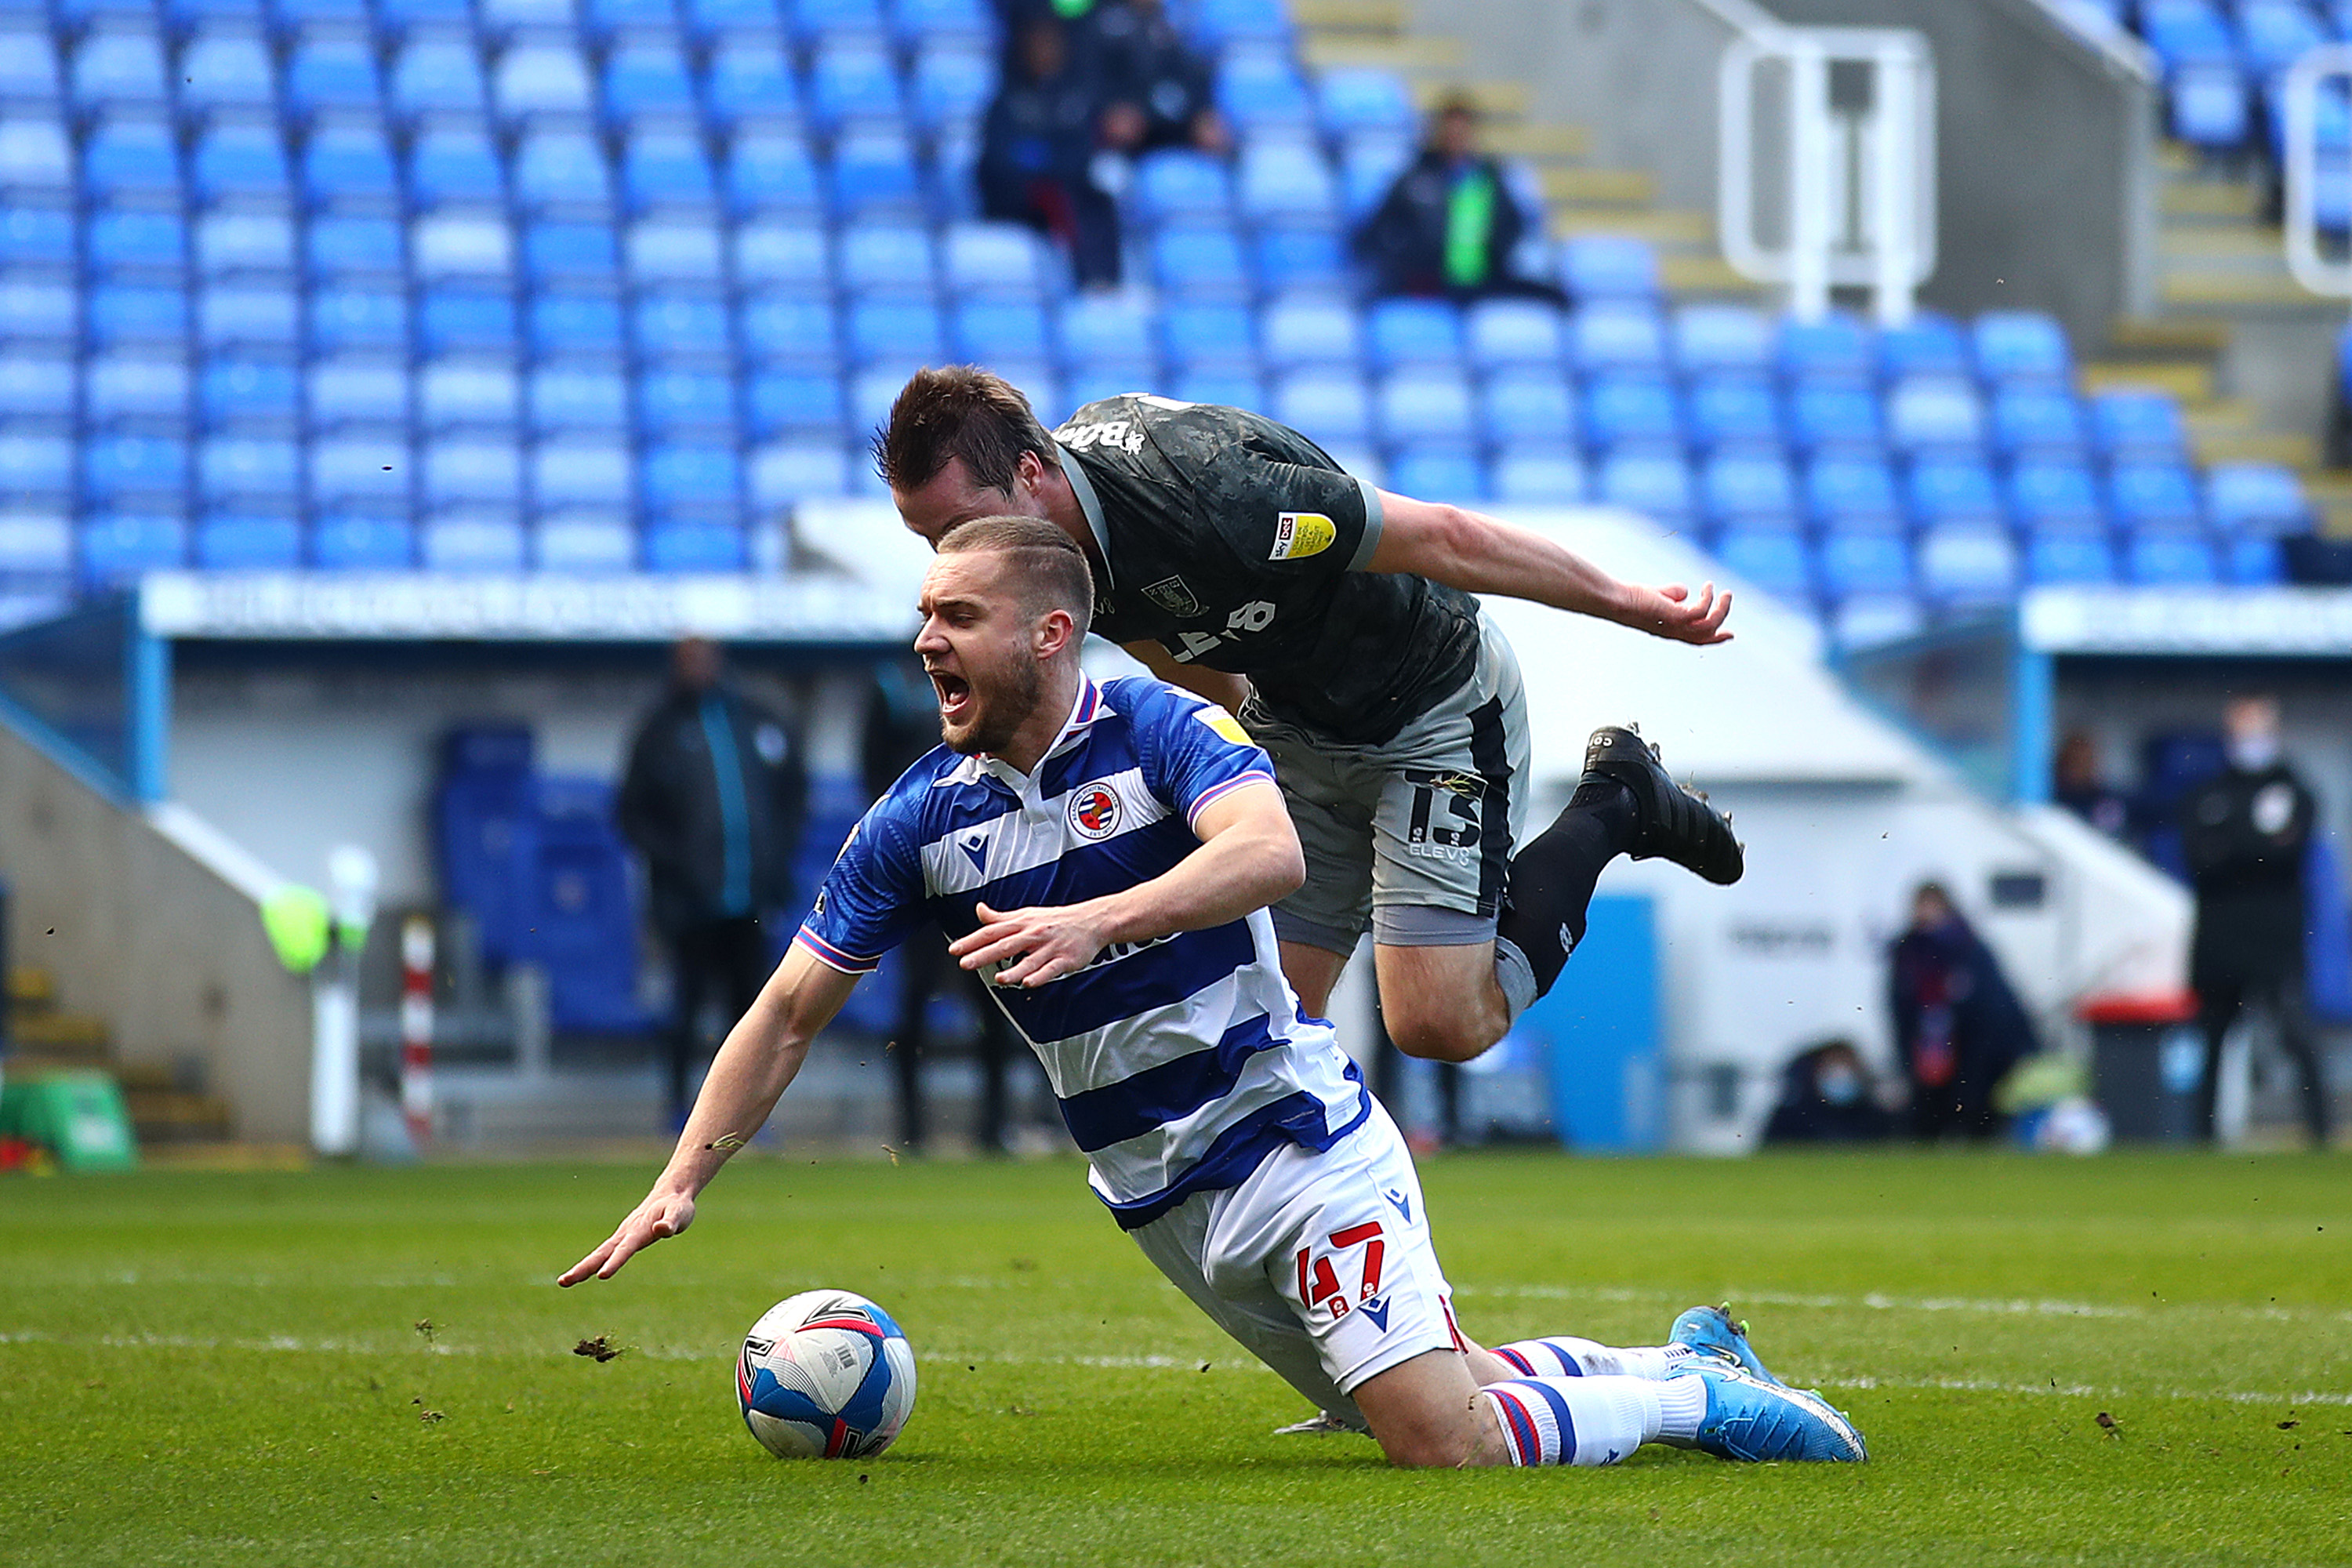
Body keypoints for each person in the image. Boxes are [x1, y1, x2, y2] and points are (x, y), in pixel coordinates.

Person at [561, 516, 1867, 1470]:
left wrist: (1096, 922)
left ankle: (1704, 1402)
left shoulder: (1158, 729)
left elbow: (1274, 853)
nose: (925, 642)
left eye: (955, 617)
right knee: (1429, 1389)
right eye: (924, 618)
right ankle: (1682, 1357)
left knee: (1442, 1443)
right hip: (1162, 1204)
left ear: (1049, 631)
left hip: (1294, 1143)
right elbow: (787, 1010)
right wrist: (682, 1179)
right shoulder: (922, 818)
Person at [877, 367, 1742, 1081]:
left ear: (1033, 472)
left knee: (1438, 1021)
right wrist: (1245, 763)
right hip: (1295, 734)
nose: (952, 558)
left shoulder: (1209, 493)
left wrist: (1630, 603)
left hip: (1430, 706)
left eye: (960, 526)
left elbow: (1441, 536)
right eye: (931, 539)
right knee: (1265, 1031)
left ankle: (1614, 803)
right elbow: (1162, 642)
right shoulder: (1044, 559)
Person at [619, 637, 808, 1127]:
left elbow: (793, 793)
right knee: (685, 1007)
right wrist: (677, 862)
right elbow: (631, 812)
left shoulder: (757, 719)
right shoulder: (660, 729)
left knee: (752, 1013)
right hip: (688, 903)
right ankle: (679, 1111)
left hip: (754, 899)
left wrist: (777, 854)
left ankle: (744, 1118)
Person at [864, 656, 1020, 1154]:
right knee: (916, 1001)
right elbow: (873, 771)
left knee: (998, 997)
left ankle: (995, 1128)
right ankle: (912, 1131)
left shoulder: (985, 680)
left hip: (985, 866)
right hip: (923, 870)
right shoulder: (890, 686)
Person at [2180, 695, 2332, 1147]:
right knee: (2212, 1040)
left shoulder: (2295, 790)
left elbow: (2288, 853)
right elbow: (2200, 859)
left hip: (2276, 939)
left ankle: (2320, 1134)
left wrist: (2235, 848)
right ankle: (2201, 1139)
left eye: (2258, 728)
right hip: (2221, 938)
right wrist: (2257, 847)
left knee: (2297, 1035)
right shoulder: (2208, 793)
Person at [1353, 93, 1566, 306]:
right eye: (1450, 131)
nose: (1456, 138)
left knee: (1555, 297)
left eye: (1462, 132)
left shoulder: (1490, 179)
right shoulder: (1415, 179)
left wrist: (1495, 252)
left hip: (1483, 279)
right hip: (1430, 281)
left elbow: (1514, 225)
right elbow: (1374, 232)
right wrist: (1408, 257)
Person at [978, 13, 1123, 290]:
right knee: (1059, 198)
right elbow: (999, 158)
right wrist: (1048, 159)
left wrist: (1044, 156)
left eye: (1052, 46)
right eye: (1039, 46)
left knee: (1097, 198)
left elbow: (1082, 152)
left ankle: (1104, 280)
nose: (1046, 53)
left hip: (1064, 184)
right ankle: (1084, 279)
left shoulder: (1074, 101)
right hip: (1015, 195)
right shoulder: (1007, 101)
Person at [1886, 882, 2036, 1143]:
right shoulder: (1908, 949)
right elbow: (1899, 1002)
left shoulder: (1968, 945)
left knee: (1973, 1102)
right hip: (1928, 1042)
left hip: (1969, 1043)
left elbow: (1990, 1001)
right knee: (1928, 1105)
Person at [1090, 0, 1230, 158]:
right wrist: (1112, 110)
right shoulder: (1104, 26)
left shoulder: (1177, 24)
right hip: (1115, 135)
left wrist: (1202, 115)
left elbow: (1192, 77)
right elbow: (1092, 83)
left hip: (1173, 122)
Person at [1760, 1040, 1894, 1146]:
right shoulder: (1790, 1119)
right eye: (1832, 1064)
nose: (1840, 1074)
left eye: (1846, 1064)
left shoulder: (1878, 1117)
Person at [2052, 731, 2130, 841]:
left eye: (2084, 760)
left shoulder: (2105, 801)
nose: (2078, 766)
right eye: (2074, 760)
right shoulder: (2050, 798)